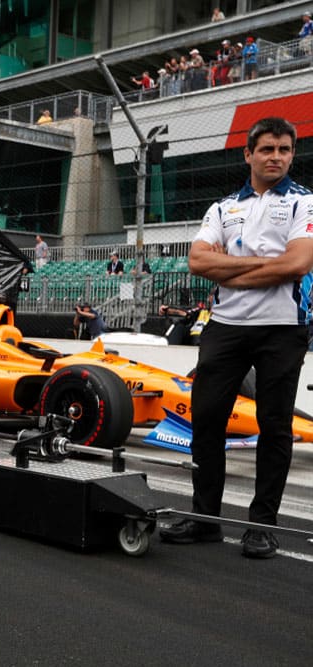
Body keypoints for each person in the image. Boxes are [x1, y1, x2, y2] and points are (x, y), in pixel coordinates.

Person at [159, 117, 313, 559]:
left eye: (284, 150)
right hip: (225, 326)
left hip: (284, 327)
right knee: (206, 419)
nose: (276, 157)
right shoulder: (224, 208)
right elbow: (197, 262)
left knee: (274, 426)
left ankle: (262, 525)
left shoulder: (305, 203)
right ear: (248, 154)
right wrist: (265, 266)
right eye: (267, 149)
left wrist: (232, 268)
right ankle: (205, 519)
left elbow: (297, 264)